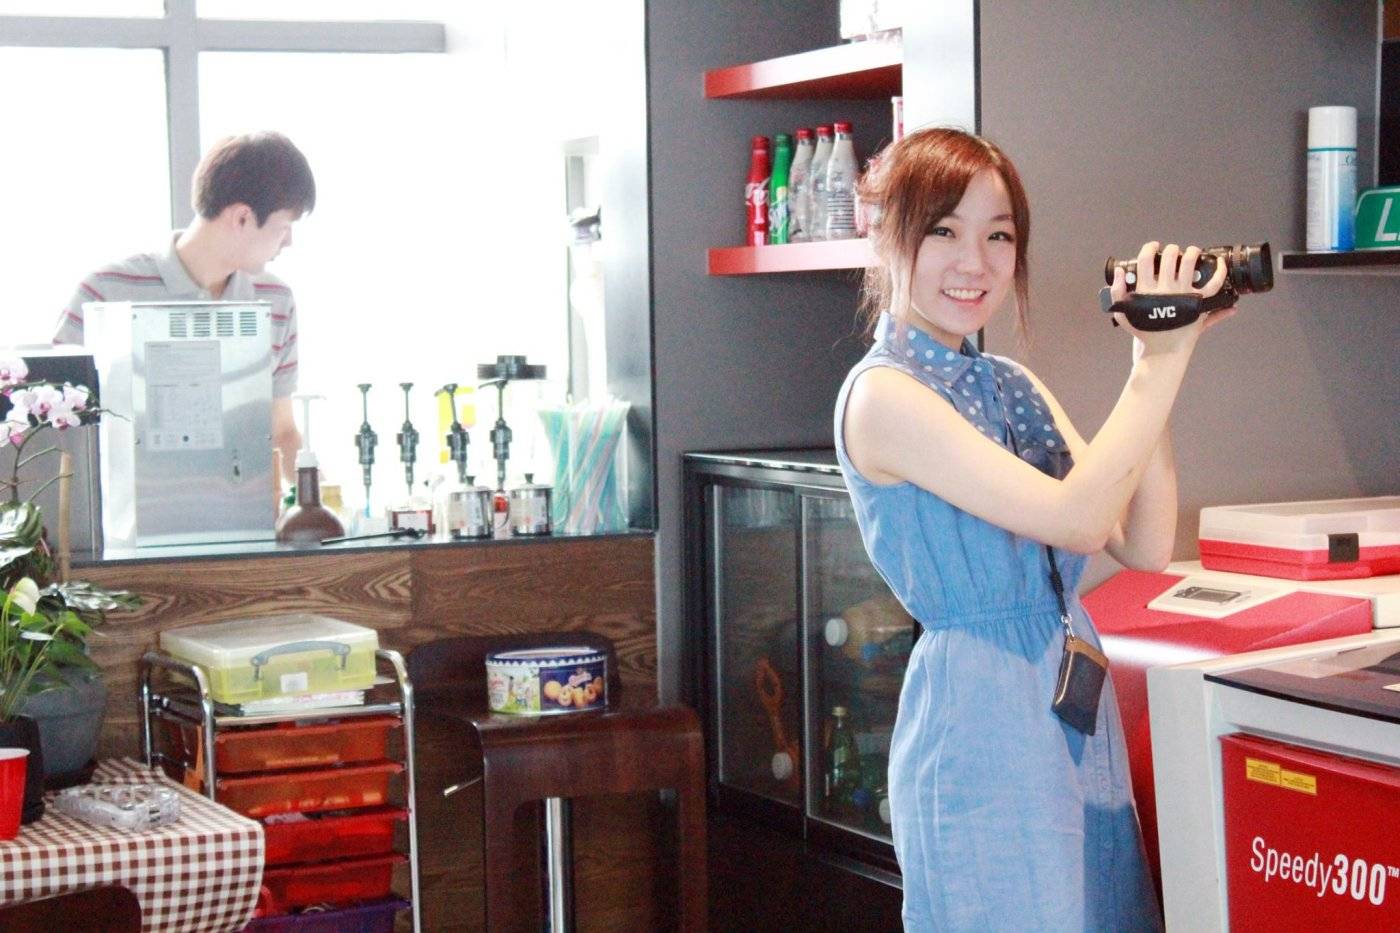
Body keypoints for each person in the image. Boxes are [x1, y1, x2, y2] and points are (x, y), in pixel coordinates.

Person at [834, 126, 1235, 931]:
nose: (975, 262)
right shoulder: (883, 397)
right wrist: (1162, 361)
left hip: (1070, 711)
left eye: (999, 236)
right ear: (886, 238)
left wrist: (1153, 356)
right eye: (943, 231)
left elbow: (1143, 540)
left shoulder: (1008, 383)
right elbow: (1079, 518)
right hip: (981, 719)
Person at [55, 130, 315, 478]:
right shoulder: (105, 292)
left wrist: (323, 501)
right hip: (125, 508)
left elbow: (281, 431)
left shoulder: (276, 301)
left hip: (241, 505)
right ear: (242, 218)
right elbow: (54, 429)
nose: (289, 242)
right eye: (284, 227)